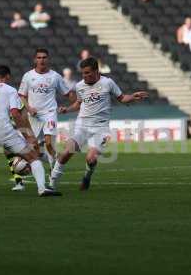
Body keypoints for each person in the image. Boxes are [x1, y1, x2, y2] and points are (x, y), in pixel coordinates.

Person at [50, 57, 149, 191]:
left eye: (88, 73)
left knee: (91, 159)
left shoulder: (108, 83)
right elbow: (78, 104)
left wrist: (132, 97)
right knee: (67, 152)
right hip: (82, 125)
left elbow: (122, 98)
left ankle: (87, 176)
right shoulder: (80, 86)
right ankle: (51, 185)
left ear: (96, 71)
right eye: (83, 73)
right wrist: (67, 109)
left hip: (100, 128)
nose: (85, 76)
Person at [0, 65, 59, 197]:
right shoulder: (9, 90)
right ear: (7, 77)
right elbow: (16, 114)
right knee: (33, 157)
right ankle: (42, 189)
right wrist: (27, 136)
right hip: (3, 130)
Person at [18, 48, 76, 170]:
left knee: (49, 143)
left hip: (50, 114)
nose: (41, 60)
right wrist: (28, 108)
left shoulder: (55, 76)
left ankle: (52, 173)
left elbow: (68, 94)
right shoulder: (28, 76)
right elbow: (21, 95)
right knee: (33, 149)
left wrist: (77, 104)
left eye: (44, 57)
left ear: (48, 59)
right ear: (35, 59)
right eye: (39, 57)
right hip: (34, 115)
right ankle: (55, 159)